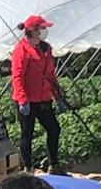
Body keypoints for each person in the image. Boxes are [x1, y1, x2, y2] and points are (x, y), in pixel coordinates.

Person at [11, 15, 68, 175]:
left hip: (43, 98)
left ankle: (54, 164)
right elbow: (17, 76)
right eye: (42, 28)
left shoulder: (46, 49)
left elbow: (50, 75)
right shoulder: (21, 50)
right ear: (33, 30)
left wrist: (58, 95)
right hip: (27, 100)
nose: (45, 31)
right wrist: (22, 100)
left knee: (54, 128)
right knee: (27, 133)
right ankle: (28, 168)